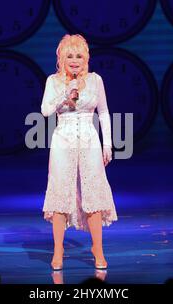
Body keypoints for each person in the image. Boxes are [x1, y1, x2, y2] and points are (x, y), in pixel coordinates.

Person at [41, 34, 117, 270]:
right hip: (63, 140)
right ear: (62, 58)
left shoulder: (95, 80)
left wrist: (108, 144)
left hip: (89, 140)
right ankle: (58, 250)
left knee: (92, 192)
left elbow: (103, 112)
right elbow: (44, 111)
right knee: (61, 194)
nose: (74, 60)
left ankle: (98, 249)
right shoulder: (53, 81)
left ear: (86, 58)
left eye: (79, 56)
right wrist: (66, 94)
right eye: (70, 56)